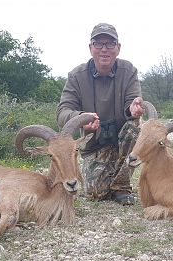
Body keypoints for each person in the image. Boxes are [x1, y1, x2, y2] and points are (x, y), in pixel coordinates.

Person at [56, 23, 145, 205]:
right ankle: (110, 176)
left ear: (118, 48)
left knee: (135, 125)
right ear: (91, 48)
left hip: (121, 141)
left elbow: (132, 102)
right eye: (98, 44)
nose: (104, 49)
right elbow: (62, 113)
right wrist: (81, 119)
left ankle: (121, 186)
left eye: (110, 44)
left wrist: (133, 109)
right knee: (95, 194)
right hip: (94, 145)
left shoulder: (129, 71)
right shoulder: (76, 76)